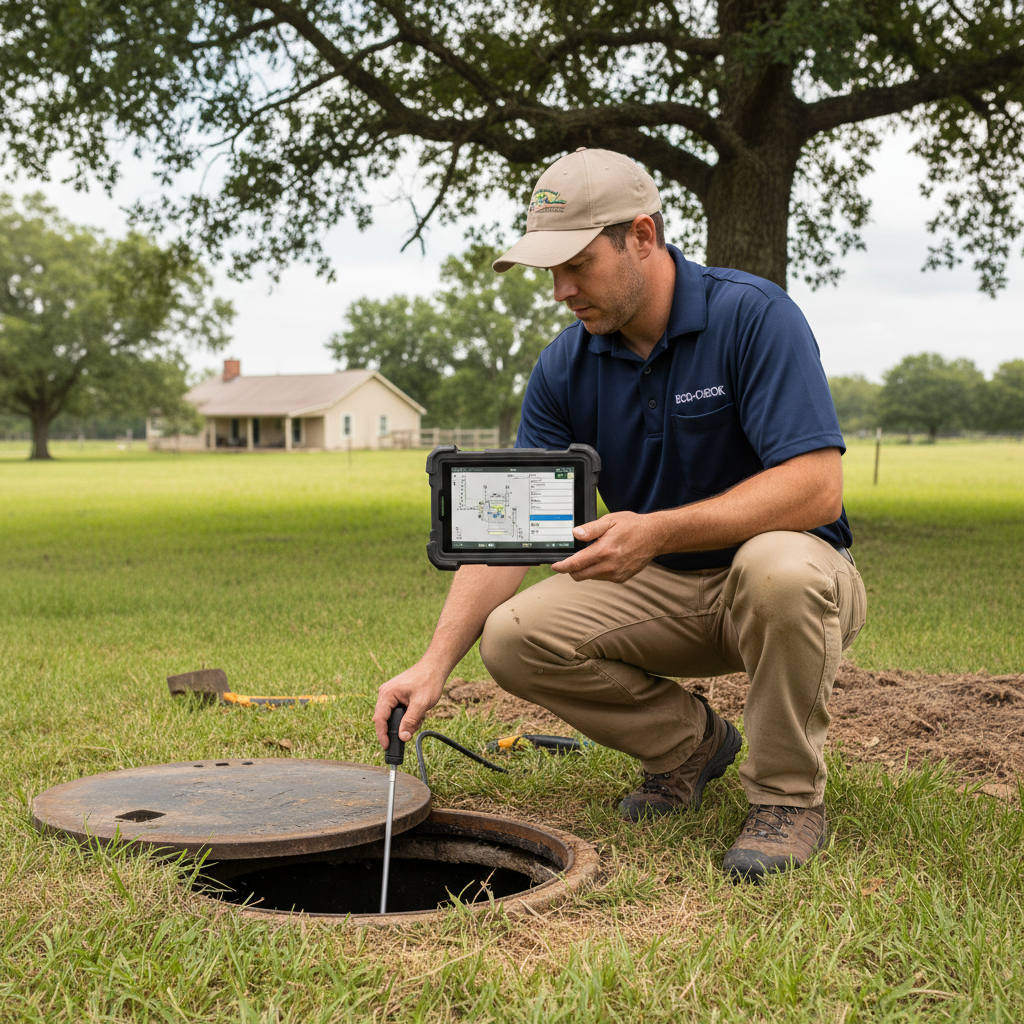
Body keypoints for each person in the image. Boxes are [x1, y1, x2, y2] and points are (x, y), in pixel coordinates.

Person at [374, 147, 867, 882]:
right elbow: (514, 533)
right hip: (659, 589)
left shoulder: (753, 316)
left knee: (778, 568)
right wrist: (434, 663)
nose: (560, 291)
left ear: (642, 235)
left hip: (788, 583)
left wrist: (658, 528)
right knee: (511, 637)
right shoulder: (564, 365)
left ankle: (787, 800)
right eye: (550, 272)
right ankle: (688, 748)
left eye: (577, 265)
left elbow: (815, 488)